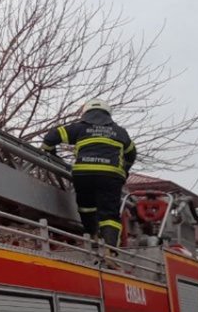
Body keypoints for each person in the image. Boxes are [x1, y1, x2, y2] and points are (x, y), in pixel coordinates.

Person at [41, 99, 137, 247]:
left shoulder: (79, 128)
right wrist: (124, 171)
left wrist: (50, 153)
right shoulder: (120, 132)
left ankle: (93, 237)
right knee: (109, 213)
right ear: (108, 114)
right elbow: (131, 155)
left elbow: (51, 137)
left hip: (83, 174)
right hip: (110, 176)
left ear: (85, 113)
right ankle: (110, 248)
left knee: (86, 207)